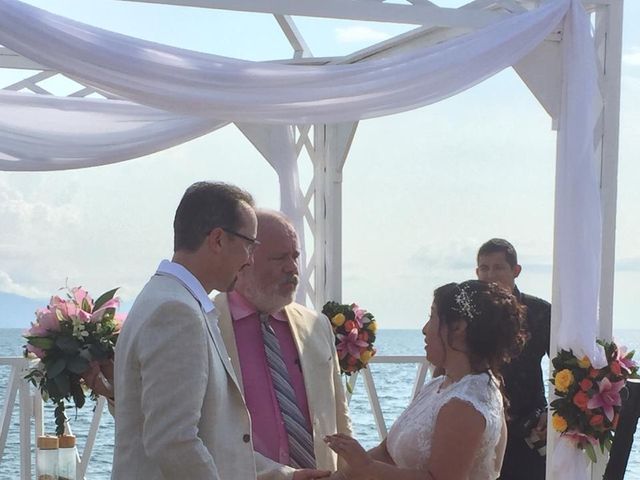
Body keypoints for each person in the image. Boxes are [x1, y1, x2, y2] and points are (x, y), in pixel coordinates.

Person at [112, 182, 328, 480]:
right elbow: (173, 442)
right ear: (217, 239)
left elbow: (215, 441)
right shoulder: (177, 312)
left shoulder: (169, 299)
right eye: (249, 245)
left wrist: (284, 475)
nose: (250, 258)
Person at [324, 280, 526, 480]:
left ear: (458, 328)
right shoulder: (439, 386)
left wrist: (367, 467)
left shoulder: (465, 404)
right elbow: (387, 452)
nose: (424, 329)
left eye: (432, 317)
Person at [214, 210, 352, 471]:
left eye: (295, 256)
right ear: (244, 260)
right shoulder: (208, 324)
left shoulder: (317, 325)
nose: (292, 268)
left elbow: (339, 416)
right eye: (279, 258)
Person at [475, 238, 551, 480]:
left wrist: (553, 411)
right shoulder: (470, 315)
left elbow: (566, 369)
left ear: (515, 271)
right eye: (484, 269)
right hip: (481, 422)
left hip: (530, 425)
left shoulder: (539, 311)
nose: (490, 275)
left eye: (498, 268)